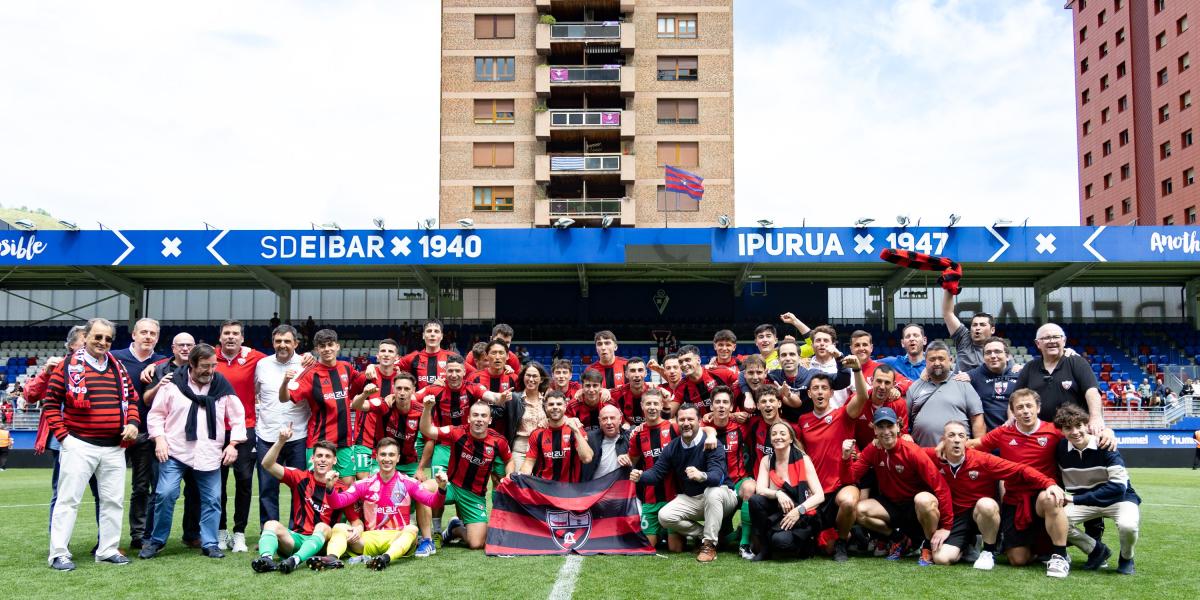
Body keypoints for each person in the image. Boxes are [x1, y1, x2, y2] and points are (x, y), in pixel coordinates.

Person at [44, 318, 140, 570]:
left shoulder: (117, 367)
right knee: (67, 500)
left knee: (113, 501)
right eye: (97, 337)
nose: (103, 342)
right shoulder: (67, 366)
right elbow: (51, 404)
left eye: (108, 338)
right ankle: (59, 553)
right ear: (85, 337)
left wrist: (132, 422)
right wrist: (64, 437)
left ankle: (107, 549)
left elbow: (132, 401)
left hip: (114, 446)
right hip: (79, 444)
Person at [140, 343, 246, 560]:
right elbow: (156, 414)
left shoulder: (221, 386)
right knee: (165, 494)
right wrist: (159, 439)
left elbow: (237, 417)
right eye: (205, 366)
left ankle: (209, 543)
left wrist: (233, 444)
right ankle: (157, 541)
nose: (210, 371)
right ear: (192, 364)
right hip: (174, 451)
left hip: (209, 452)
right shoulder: (172, 384)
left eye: (214, 366)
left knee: (213, 499)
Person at [966, 389, 1078, 577]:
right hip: (1015, 500)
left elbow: (1080, 434)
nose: (1025, 411)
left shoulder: (1053, 431)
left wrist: (1105, 432)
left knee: (1050, 498)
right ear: (1012, 412)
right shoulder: (1003, 432)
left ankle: (1059, 556)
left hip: (1043, 495)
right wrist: (947, 443)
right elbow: (975, 445)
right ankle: (1039, 549)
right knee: (1018, 560)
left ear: (1038, 408)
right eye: (1019, 407)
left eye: (1029, 406)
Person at [923, 421, 1064, 569]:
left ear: (967, 441)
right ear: (943, 440)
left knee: (987, 504)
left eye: (961, 436)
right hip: (956, 517)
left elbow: (1020, 470)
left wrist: (1049, 483)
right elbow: (910, 451)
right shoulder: (932, 456)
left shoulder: (983, 459)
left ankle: (988, 551)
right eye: (951, 436)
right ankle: (965, 546)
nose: (957, 439)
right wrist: (904, 435)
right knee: (941, 559)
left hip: (981, 515)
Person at [840, 407, 953, 566]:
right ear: (875, 430)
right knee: (859, 510)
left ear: (898, 427)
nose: (886, 431)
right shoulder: (873, 449)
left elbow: (940, 487)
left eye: (890, 426)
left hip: (915, 507)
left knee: (924, 500)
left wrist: (947, 526)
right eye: (881, 427)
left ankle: (927, 546)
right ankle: (899, 539)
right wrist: (845, 458)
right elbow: (849, 478)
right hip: (891, 505)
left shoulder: (912, 451)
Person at [631, 403, 737, 563]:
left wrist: (701, 475)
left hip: (723, 496)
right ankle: (706, 535)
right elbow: (656, 473)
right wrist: (641, 476)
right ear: (677, 422)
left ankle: (709, 545)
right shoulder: (673, 447)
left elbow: (717, 477)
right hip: (694, 498)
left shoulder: (711, 442)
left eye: (690, 419)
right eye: (682, 419)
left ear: (699, 421)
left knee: (712, 492)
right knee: (665, 516)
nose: (686, 423)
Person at [321, 437, 448, 570]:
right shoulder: (363, 484)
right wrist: (330, 488)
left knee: (412, 529)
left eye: (391, 455)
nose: (387, 459)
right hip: (369, 539)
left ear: (398, 458)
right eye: (383, 454)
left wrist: (442, 488)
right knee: (339, 527)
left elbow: (432, 501)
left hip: (398, 538)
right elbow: (337, 502)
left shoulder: (409, 482)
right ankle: (332, 558)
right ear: (376, 457)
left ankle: (385, 558)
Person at [252, 427, 361, 574]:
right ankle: (266, 560)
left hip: (322, 543)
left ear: (334, 460)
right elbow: (267, 464)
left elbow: (356, 521)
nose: (323, 459)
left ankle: (295, 560)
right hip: (297, 539)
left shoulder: (342, 489)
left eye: (327, 456)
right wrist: (280, 441)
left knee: (322, 526)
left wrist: (357, 529)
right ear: (312, 458)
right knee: (271, 524)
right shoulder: (300, 477)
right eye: (319, 455)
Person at [796, 358, 870, 563]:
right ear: (809, 393)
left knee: (847, 502)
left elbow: (863, 396)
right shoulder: (803, 421)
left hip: (842, 483)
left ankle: (842, 542)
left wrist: (856, 369)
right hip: (817, 489)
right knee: (822, 548)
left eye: (824, 388)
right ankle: (852, 533)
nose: (820, 392)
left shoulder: (843, 414)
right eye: (815, 388)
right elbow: (801, 454)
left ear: (831, 392)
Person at [28, 325, 101, 533]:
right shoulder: (58, 366)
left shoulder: (102, 365)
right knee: (62, 493)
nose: (90, 343)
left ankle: (105, 543)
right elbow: (30, 395)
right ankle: (58, 543)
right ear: (71, 346)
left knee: (102, 494)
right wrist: (45, 373)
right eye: (84, 339)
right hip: (63, 440)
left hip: (97, 438)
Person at [1055, 404, 1141, 575]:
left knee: (1128, 526)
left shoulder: (1104, 444)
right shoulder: (1060, 449)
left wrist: (1075, 499)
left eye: (1079, 425)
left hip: (1120, 499)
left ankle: (1126, 557)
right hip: (1087, 501)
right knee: (1057, 521)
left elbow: (1118, 488)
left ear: (1087, 425)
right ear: (1061, 431)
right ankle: (1096, 550)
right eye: (1068, 428)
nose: (1075, 432)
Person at [419, 399, 514, 550]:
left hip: (474, 496)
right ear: (469, 418)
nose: (479, 419)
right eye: (475, 415)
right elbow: (427, 430)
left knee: (476, 543)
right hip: (451, 485)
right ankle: (429, 538)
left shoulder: (499, 441)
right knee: (422, 489)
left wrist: (509, 475)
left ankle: (455, 529)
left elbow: (509, 460)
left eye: (483, 416)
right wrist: (427, 408)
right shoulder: (456, 432)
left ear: (489, 420)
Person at [280, 328, 368, 486]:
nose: (327, 349)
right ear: (317, 349)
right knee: (317, 487)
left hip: (344, 442)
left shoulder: (346, 368)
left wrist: (372, 367)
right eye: (322, 346)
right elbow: (286, 397)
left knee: (348, 486)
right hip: (319, 442)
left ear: (337, 346)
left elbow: (363, 380)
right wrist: (285, 382)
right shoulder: (310, 374)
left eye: (330, 344)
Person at [213, 319, 269, 553]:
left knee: (244, 481)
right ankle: (220, 532)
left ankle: (239, 534)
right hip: (213, 430)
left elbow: (282, 358)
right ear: (220, 336)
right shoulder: (208, 356)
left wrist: (305, 357)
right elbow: (179, 360)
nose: (231, 337)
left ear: (242, 338)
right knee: (217, 484)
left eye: (235, 333)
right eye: (227, 333)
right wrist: (153, 366)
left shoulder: (254, 357)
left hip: (245, 429)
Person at [140, 332, 201, 547]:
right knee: (160, 492)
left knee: (195, 492)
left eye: (189, 345)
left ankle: (192, 534)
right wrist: (160, 385)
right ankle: (150, 537)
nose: (185, 348)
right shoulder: (159, 369)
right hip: (165, 443)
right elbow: (147, 401)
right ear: (173, 348)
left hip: (195, 443)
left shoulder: (203, 368)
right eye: (181, 345)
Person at [112, 317, 166, 550]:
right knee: (111, 488)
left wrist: (158, 363)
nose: (148, 336)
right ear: (133, 334)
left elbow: (188, 356)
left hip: (146, 434)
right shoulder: (115, 358)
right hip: (115, 433)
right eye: (143, 332)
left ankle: (139, 535)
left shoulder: (162, 362)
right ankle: (107, 539)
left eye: (152, 333)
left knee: (142, 487)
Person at [253, 324, 309, 531]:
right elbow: (255, 393)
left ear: (296, 343)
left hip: (298, 436)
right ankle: (269, 532)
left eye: (287, 341)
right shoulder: (262, 365)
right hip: (268, 436)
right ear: (273, 343)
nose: (282, 345)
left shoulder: (307, 363)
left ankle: (298, 530)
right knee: (267, 488)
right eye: (278, 341)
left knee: (299, 487)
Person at [749, 421, 824, 561]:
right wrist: (778, 493)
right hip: (778, 510)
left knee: (781, 542)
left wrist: (798, 510)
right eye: (774, 434)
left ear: (790, 439)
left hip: (801, 513)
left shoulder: (804, 459)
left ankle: (804, 544)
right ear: (770, 439)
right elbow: (760, 489)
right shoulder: (767, 460)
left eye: (783, 433)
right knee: (755, 500)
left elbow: (820, 496)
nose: (778, 437)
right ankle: (765, 548)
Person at [620, 388, 682, 552]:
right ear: (642, 406)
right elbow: (632, 461)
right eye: (648, 404)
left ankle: (679, 534)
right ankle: (660, 533)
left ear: (662, 405)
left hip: (673, 496)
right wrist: (624, 459)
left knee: (676, 549)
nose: (652, 407)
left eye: (656, 403)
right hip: (651, 496)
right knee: (648, 547)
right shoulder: (638, 434)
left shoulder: (674, 428)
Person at [705, 387, 755, 559]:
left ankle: (745, 544)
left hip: (738, 482)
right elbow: (680, 423)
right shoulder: (702, 429)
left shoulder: (741, 427)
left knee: (750, 487)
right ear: (711, 406)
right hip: (716, 487)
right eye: (717, 402)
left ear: (732, 406)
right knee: (723, 540)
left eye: (725, 402)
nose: (721, 406)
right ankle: (735, 534)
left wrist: (739, 415)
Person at [906, 341, 984, 447]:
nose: (937, 363)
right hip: (923, 456)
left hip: (959, 455)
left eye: (941, 359)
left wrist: (979, 451)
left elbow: (977, 419)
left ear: (950, 360)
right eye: (932, 359)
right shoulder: (914, 387)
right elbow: (904, 421)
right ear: (926, 361)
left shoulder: (963, 384)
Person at [349, 339, 404, 480]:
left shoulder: (400, 381)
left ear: (397, 358)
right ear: (378, 356)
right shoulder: (364, 377)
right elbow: (350, 401)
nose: (386, 354)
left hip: (389, 442)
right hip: (364, 440)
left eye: (390, 351)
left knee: (383, 485)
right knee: (364, 481)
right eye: (383, 351)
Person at [769, 339, 851, 422]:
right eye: (783, 355)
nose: (788, 358)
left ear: (799, 357)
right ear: (778, 359)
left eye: (792, 354)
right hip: (783, 428)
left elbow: (843, 381)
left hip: (811, 426)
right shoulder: (773, 377)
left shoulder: (813, 375)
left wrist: (839, 358)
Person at [520, 391, 593, 482]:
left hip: (570, 489)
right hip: (544, 487)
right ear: (545, 407)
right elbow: (529, 463)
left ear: (565, 406)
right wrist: (520, 478)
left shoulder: (576, 429)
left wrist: (576, 432)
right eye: (551, 404)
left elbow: (587, 458)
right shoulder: (537, 434)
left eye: (559, 404)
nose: (555, 407)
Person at [497, 362, 549, 468]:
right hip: (520, 449)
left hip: (543, 448)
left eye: (534, 376)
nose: (531, 379)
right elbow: (496, 413)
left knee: (540, 483)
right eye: (528, 375)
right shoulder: (513, 398)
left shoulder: (547, 400)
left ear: (542, 379)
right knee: (519, 481)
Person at [965, 337, 1020, 431]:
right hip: (987, 438)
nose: (993, 356)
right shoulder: (972, 376)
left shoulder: (1020, 374)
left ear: (1007, 356)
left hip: (1015, 436)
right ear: (983, 357)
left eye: (997, 351)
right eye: (988, 352)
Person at [851, 364, 908, 450]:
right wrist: (857, 453)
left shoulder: (899, 404)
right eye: (879, 381)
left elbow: (902, 433)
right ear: (871, 381)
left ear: (894, 384)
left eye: (887, 383)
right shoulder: (857, 400)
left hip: (887, 454)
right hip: (860, 455)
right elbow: (846, 431)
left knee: (907, 439)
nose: (882, 386)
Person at [396, 319, 459, 389]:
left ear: (441, 336)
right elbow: (388, 367)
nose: (432, 334)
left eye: (436, 331)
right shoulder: (412, 357)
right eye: (429, 331)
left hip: (446, 400)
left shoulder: (452, 357)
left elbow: (472, 373)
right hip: (419, 399)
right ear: (423, 335)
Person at [941, 291, 997, 372]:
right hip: (960, 384)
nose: (977, 328)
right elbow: (948, 314)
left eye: (982, 325)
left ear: (992, 330)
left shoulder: (999, 347)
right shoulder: (965, 339)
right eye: (974, 325)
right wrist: (949, 290)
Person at [581, 404, 629, 480]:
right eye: (604, 419)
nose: (609, 422)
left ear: (620, 419)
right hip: (594, 488)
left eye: (612, 418)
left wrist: (629, 458)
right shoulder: (590, 438)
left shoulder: (631, 436)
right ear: (599, 421)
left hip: (621, 488)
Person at [611, 357, 657, 426]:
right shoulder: (617, 394)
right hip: (627, 433)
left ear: (646, 373)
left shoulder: (656, 392)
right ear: (626, 374)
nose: (637, 375)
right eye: (632, 371)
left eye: (640, 370)